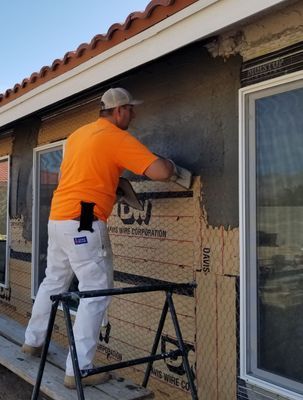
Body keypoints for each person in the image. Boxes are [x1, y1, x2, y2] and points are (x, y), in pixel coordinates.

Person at [22, 87, 175, 389]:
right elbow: (160, 172)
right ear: (119, 111)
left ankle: (32, 342)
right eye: (131, 110)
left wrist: (111, 181)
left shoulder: (78, 135)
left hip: (58, 219)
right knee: (95, 291)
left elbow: (86, 173)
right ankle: (80, 370)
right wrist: (169, 163)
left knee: (53, 281)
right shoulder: (116, 137)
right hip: (85, 219)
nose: (134, 115)